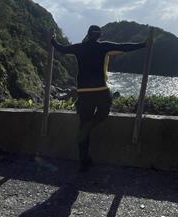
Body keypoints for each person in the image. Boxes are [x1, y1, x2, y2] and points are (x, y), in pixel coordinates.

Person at [51, 25, 146, 171]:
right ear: (99, 36)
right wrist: (144, 44)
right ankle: (90, 127)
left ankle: (84, 161)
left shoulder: (79, 47)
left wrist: (53, 40)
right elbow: (124, 47)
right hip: (101, 90)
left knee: (83, 126)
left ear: (88, 35)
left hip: (83, 92)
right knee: (104, 110)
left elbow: (62, 48)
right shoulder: (103, 47)